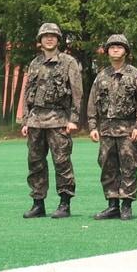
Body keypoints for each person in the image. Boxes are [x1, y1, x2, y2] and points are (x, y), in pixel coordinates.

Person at [18, 22, 83, 219]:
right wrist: (25, 120)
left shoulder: (68, 62)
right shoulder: (35, 63)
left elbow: (76, 92)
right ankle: (38, 203)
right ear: (40, 40)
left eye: (53, 36)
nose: (49, 38)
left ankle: (64, 203)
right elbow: (28, 91)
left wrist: (73, 119)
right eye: (45, 36)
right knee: (35, 163)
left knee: (62, 162)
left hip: (58, 120)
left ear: (58, 40)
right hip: (36, 120)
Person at [88, 33, 137, 221]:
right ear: (107, 51)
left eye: (119, 47)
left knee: (129, 166)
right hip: (106, 129)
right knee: (107, 166)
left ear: (126, 51)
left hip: (128, 129)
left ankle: (126, 204)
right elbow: (92, 103)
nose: (115, 49)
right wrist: (92, 126)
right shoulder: (101, 76)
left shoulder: (136, 75)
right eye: (112, 47)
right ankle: (112, 204)